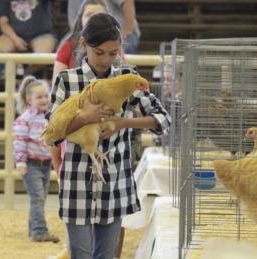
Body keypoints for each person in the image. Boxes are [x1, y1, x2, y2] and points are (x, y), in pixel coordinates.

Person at [45, 12, 171, 259]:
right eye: (99, 52)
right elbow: (51, 135)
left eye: (113, 53)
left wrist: (123, 122)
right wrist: (84, 118)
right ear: (83, 45)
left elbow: (163, 120)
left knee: (106, 256)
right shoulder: (67, 80)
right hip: (76, 181)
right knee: (80, 255)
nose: (106, 59)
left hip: (115, 180)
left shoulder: (127, 76)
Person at [13, 76, 60, 243]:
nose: (44, 100)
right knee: (38, 197)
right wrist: (20, 162)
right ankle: (40, 231)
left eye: (46, 96)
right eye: (39, 97)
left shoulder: (50, 115)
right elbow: (19, 141)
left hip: (46, 165)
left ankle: (33, 228)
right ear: (29, 100)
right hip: (31, 165)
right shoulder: (25, 119)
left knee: (40, 197)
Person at [0, 0, 57, 76]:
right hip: (14, 34)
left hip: (42, 34)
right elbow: (3, 22)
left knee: (43, 57)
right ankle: (14, 74)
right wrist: (15, 39)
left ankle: (25, 77)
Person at [67, 0, 140, 54]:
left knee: (124, 44)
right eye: (89, 15)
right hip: (85, 33)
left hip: (116, 30)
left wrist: (127, 29)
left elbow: (127, 1)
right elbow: (73, 21)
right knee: (66, 43)